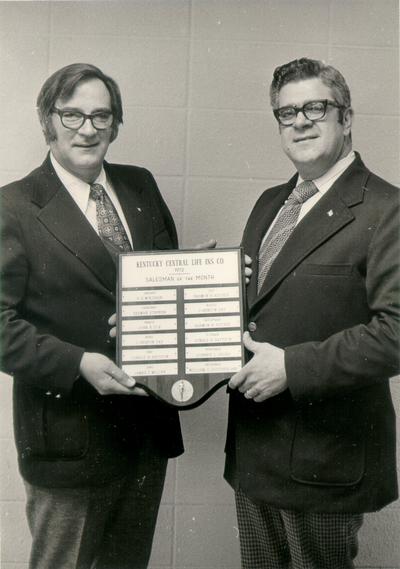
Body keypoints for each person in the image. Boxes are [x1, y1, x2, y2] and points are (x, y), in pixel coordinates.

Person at [0, 63, 184, 569]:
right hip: (66, 438)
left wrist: (195, 278)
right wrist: (77, 363)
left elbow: (161, 284)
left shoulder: (140, 186)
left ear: (116, 125)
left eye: (101, 116)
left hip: (146, 429)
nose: (88, 129)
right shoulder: (12, 207)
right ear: (47, 122)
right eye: (73, 115)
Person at [226, 58, 399, 569]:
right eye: (286, 113)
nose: (299, 121)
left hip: (327, 461)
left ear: (346, 118)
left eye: (315, 108)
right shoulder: (270, 203)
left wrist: (292, 368)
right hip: (255, 454)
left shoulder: (387, 210)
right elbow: (261, 307)